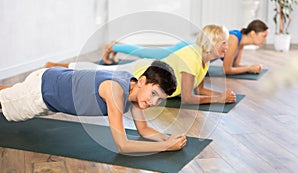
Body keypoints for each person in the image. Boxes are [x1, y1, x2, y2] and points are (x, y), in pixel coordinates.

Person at [0, 60, 187, 153]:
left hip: (52, 80)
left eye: (160, 99)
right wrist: (165, 146)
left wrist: (167, 137)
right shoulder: (116, 92)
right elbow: (122, 145)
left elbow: (144, 129)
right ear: (142, 81)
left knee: (10, 94)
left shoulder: (136, 93)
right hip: (41, 92)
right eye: (153, 94)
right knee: (4, 103)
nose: (153, 103)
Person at [45, 24, 236, 105]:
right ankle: (57, 65)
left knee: (99, 71)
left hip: (146, 69)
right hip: (138, 73)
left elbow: (199, 89)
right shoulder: (191, 58)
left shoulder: (204, 60)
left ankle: (60, 66)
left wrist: (223, 95)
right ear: (212, 43)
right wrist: (219, 99)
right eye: (224, 43)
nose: (227, 47)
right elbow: (188, 98)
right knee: (97, 71)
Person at [102, 19, 268, 75]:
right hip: (187, 48)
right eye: (263, 35)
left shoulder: (240, 43)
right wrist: (249, 68)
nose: (265, 39)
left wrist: (249, 67)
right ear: (252, 33)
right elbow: (227, 70)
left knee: (150, 53)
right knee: (150, 53)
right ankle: (114, 46)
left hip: (192, 45)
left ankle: (118, 46)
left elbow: (234, 65)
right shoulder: (233, 40)